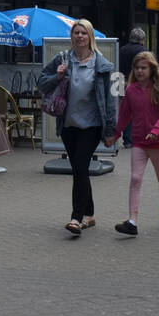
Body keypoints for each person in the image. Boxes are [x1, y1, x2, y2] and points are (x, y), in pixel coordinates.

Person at [38, 19, 117, 236]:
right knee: (79, 170)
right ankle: (90, 215)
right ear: (71, 36)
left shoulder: (102, 65)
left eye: (83, 33)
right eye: (76, 32)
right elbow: (41, 82)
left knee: (80, 169)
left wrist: (111, 131)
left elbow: (111, 101)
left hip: (91, 126)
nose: (79, 36)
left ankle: (76, 217)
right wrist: (58, 75)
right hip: (68, 125)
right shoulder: (62, 59)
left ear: (90, 36)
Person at [105, 51, 159, 235]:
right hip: (138, 142)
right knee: (135, 178)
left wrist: (156, 130)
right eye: (137, 68)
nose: (140, 71)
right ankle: (132, 221)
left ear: (152, 69)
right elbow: (125, 114)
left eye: (143, 68)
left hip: (158, 142)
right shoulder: (130, 90)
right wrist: (116, 134)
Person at [118, 28, 147, 147]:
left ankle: (127, 139)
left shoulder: (122, 49)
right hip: (138, 84)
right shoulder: (144, 51)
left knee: (125, 111)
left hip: (121, 82)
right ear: (142, 39)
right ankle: (135, 138)